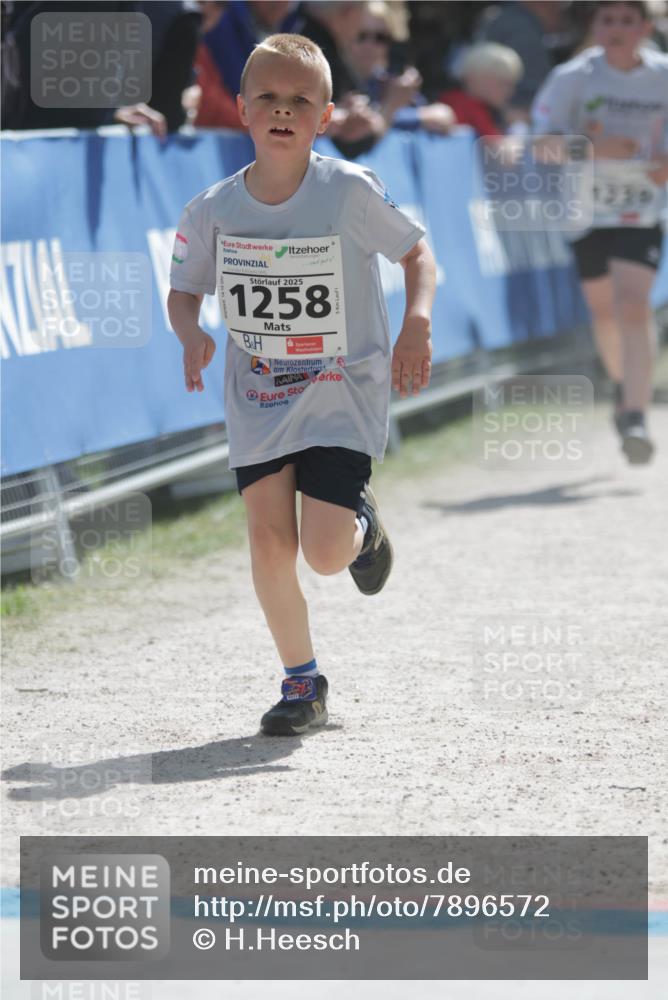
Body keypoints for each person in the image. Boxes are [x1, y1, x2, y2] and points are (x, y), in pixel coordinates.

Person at [167, 34, 436, 735]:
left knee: (322, 553)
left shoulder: (347, 190)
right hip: (258, 396)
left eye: (300, 101)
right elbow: (182, 289)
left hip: (340, 389)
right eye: (268, 98)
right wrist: (190, 331)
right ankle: (301, 683)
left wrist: (418, 324)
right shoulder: (213, 209)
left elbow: (416, 254)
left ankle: (361, 528)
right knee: (266, 543)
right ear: (241, 109)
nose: (283, 111)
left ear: (324, 116)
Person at [532, 0, 668, 463]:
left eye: (627, 21)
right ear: (595, 25)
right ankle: (621, 387)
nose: (616, 29)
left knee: (633, 305)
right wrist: (593, 147)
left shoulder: (663, 75)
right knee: (606, 313)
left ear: (645, 28)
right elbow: (542, 145)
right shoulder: (574, 77)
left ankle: (634, 413)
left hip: (642, 209)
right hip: (585, 210)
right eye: (607, 20)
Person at [439, 42, 523, 137]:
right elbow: (499, 146)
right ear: (481, 78)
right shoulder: (468, 106)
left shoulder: (457, 99)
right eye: (504, 83)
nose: (510, 91)